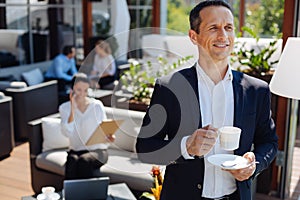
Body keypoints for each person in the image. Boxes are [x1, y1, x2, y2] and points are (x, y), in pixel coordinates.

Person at [136, 1, 278, 200]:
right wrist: (186, 146)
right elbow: (145, 148)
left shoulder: (257, 90)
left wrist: (254, 164)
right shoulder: (169, 87)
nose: (223, 35)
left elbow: (269, 142)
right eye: (213, 28)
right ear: (194, 36)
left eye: (228, 27)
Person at [59, 73, 114, 180]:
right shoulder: (64, 108)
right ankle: (70, 195)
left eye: (85, 90)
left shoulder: (97, 105)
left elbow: (104, 129)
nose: (82, 94)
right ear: (72, 90)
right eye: (79, 90)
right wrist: (73, 109)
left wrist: (110, 138)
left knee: (84, 161)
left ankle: (87, 195)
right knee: (72, 161)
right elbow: (67, 133)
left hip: (98, 152)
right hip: (76, 151)